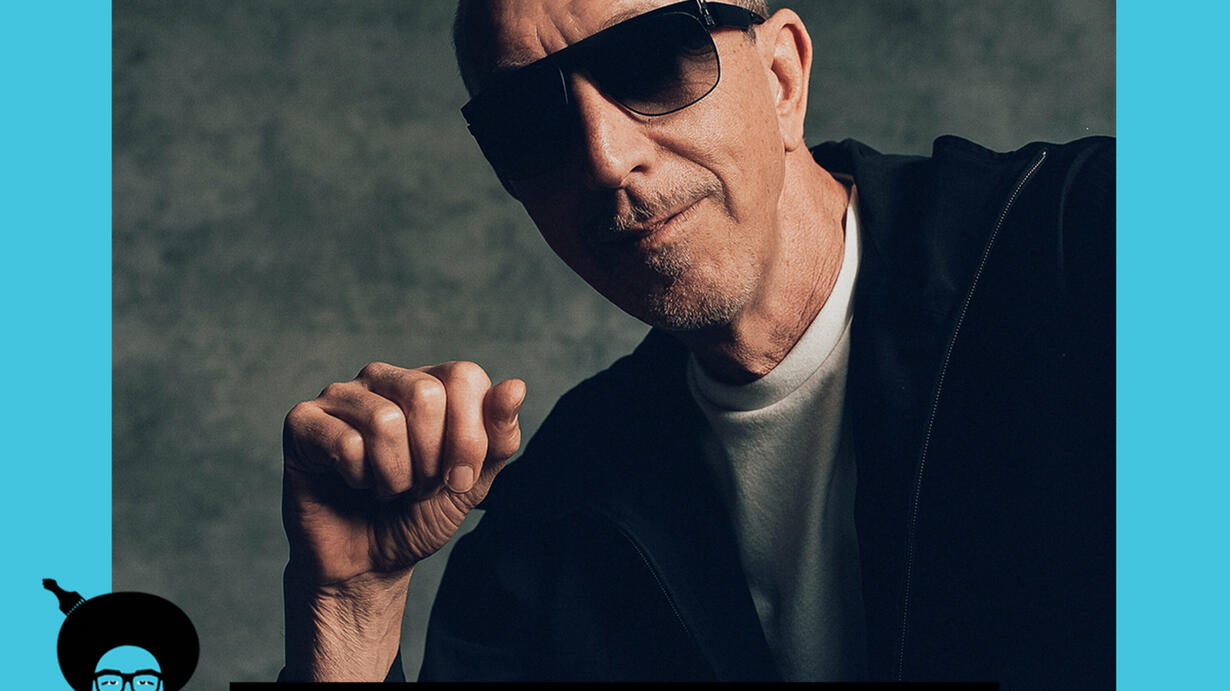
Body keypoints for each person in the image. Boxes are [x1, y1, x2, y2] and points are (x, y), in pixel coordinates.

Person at [278, 0, 1113, 685]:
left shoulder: (1095, 242)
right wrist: (348, 608)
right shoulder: (555, 515)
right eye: (528, 119)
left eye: (650, 61)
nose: (606, 158)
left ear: (782, 78)